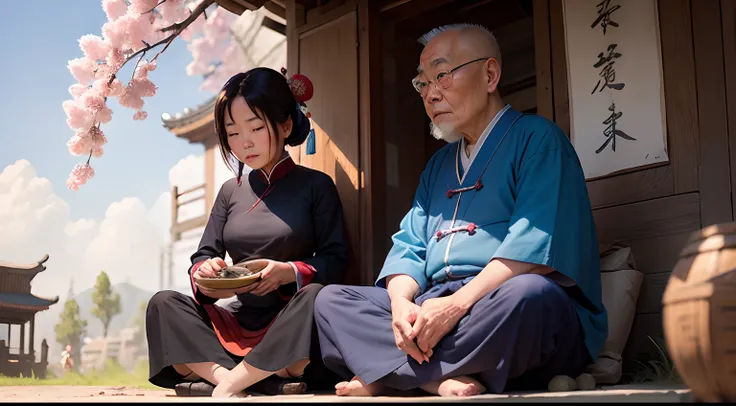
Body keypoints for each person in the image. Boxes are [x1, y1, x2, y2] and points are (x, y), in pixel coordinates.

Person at [313, 23, 608, 397]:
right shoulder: (438, 166)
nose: (431, 94)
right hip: (434, 306)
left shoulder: (538, 139)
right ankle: (440, 379)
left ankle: (388, 371)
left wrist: (455, 306)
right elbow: (409, 250)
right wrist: (402, 306)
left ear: (489, 74)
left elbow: (534, 251)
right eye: (423, 83)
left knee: (532, 296)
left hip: (496, 300)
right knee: (331, 301)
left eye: (442, 76)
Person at [146, 67, 349, 398]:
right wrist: (206, 270)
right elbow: (205, 254)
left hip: (291, 320)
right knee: (163, 303)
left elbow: (336, 260)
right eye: (233, 132)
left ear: (285, 126)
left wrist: (288, 272)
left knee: (317, 298)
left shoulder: (316, 186)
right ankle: (247, 377)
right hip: (237, 322)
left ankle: (224, 382)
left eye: (255, 127)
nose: (245, 143)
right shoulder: (230, 191)